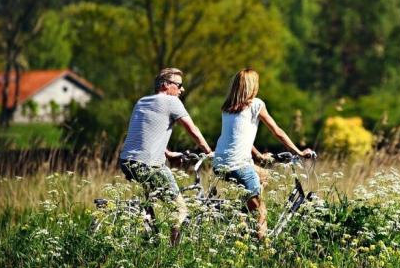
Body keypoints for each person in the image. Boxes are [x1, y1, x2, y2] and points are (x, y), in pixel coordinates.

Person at [214, 68, 314, 239]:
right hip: (239, 165)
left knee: (264, 175)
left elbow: (238, 136)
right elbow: (277, 131)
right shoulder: (256, 104)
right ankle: (263, 251)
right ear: (252, 86)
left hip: (219, 163)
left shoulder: (227, 108)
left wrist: (258, 155)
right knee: (261, 213)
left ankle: (243, 216)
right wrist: (299, 152)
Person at [119, 68, 213, 246]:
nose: (182, 90)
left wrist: (168, 153)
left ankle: (150, 241)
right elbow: (192, 130)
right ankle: (172, 253)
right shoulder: (172, 101)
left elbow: (146, 134)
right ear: (165, 85)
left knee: (149, 205)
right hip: (148, 164)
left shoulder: (142, 101)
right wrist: (208, 151)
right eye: (179, 85)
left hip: (126, 161)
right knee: (180, 209)